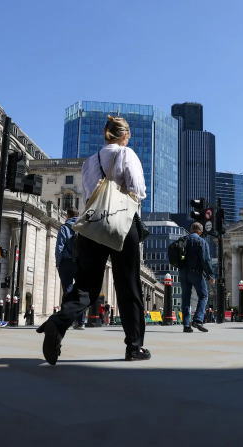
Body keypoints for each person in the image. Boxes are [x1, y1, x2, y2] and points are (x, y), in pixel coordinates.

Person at [38, 115, 150, 364]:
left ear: (105, 134)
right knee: (128, 286)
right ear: (125, 135)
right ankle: (134, 346)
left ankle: (58, 322)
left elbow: (90, 194)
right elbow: (139, 190)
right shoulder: (126, 154)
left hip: (92, 225)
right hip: (121, 223)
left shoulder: (90, 161)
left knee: (86, 285)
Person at [180, 222, 215, 333]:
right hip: (196, 273)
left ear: (191, 230)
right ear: (200, 231)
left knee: (185, 298)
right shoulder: (201, 241)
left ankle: (186, 325)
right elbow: (206, 260)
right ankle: (198, 320)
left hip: (183, 272)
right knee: (203, 295)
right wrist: (210, 275)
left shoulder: (183, 240)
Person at [56, 208, 85, 330]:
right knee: (80, 291)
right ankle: (81, 321)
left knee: (68, 290)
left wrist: (58, 262)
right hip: (80, 263)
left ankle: (67, 320)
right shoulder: (83, 227)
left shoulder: (64, 227)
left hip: (67, 262)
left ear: (68, 215)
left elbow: (60, 247)